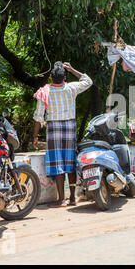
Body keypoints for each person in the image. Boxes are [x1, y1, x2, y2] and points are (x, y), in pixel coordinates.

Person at [32, 61, 93, 207]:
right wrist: (72, 69)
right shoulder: (71, 88)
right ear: (64, 77)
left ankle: (61, 200)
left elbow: (38, 117)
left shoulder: (44, 92)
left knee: (57, 163)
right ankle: (72, 198)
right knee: (70, 163)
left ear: (52, 77)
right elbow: (88, 81)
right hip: (69, 127)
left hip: (54, 128)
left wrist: (34, 136)